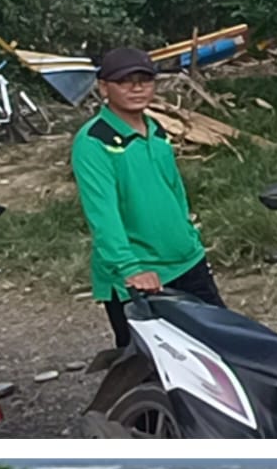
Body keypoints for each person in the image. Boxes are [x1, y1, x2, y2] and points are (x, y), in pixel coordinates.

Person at [70, 47, 224, 347]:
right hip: (140, 276)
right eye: (125, 81)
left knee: (221, 352)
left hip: (187, 260)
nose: (137, 87)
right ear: (103, 87)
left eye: (144, 79)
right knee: (151, 370)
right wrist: (130, 269)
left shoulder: (156, 130)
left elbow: (174, 190)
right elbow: (102, 214)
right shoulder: (94, 141)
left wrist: (189, 237)